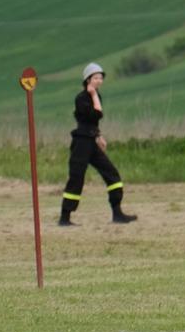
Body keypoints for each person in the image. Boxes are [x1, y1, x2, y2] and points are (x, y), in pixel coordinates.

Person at [57, 61, 137, 227]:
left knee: (112, 174)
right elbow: (96, 115)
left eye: (101, 78)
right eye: (95, 78)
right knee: (76, 178)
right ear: (88, 80)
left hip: (92, 141)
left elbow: (94, 123)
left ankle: (117, 214)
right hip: (81, 143)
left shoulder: (96, 96)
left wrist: (99, 136)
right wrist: (93, 96)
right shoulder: (81, 98)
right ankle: (64, 218)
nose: (99, 81)